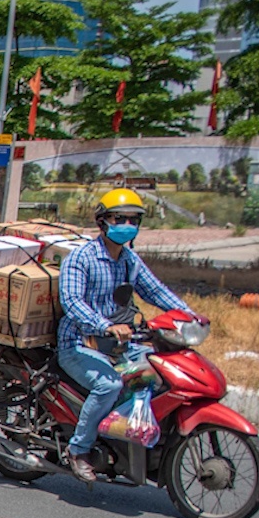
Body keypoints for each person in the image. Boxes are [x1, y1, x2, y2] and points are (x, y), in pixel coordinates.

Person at [56, 188, 194, 483]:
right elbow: (72, 301)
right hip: (79, 343)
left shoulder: (129, 260)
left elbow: (155, 291)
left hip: (119, 345)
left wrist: (189, 316)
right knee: (109, 385)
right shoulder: (81, 259)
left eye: (133, 220)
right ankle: (78, 450)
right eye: (120, 219)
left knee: (159, 373)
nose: (127, 225)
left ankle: (125, 438)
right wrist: (105, 325)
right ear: (102, 222)